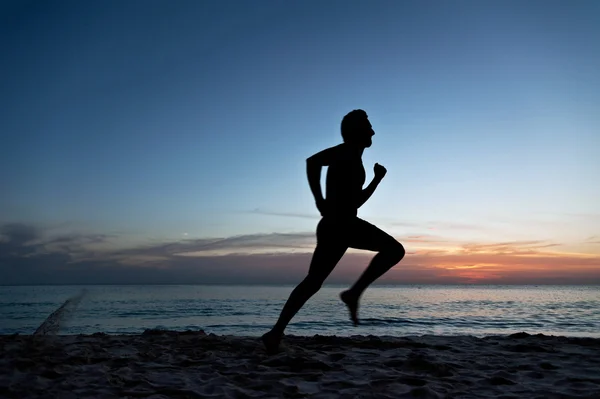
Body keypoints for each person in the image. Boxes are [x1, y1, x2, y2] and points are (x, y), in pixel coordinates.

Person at [262, 109, 405, 354]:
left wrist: (376, 180)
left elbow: (356, 202)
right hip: (340, 224)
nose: (373, 131)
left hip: (340, 224)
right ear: (357, 130)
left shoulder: (355, 158)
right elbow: (312, 162)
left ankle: (275, 333)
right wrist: (319, 200)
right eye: (368, 126)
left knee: (313, 282)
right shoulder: (346, 150)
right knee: (394, 250)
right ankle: (353, 294)